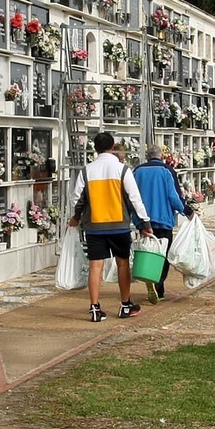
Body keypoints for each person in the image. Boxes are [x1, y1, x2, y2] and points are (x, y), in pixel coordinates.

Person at [69, 130, 152, 321]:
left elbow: (77, 198)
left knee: (95, 266)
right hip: (119, 226)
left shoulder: (87, 171)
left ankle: (95, 309)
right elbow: (134, 198)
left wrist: (76, 217)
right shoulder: (122, 169)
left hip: (95, 226)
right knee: (122, 264)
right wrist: (144, 222)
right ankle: (125, 305)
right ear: (112, 147)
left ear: (95, 149)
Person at [133, 144, 191, 303]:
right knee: (162, 254)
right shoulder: (167, 171)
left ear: (147, 156)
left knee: (148, 250)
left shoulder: (137, 171)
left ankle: (149, 277)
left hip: (144, 220)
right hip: (163, 219)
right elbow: (174, 196)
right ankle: (159, 284)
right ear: (161, 156)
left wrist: (135, 218)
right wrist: (186, 210)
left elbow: (131, 195)